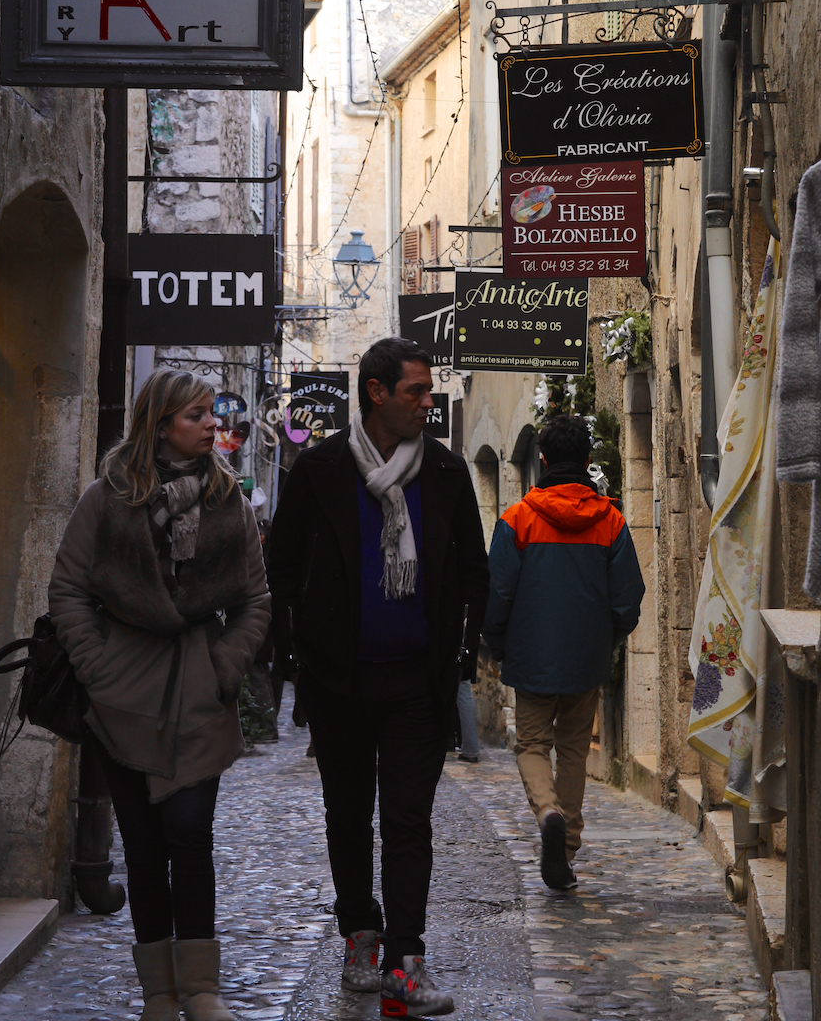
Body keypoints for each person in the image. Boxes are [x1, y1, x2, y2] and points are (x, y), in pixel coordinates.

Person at [267, 338, 489, 1018]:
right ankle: (359, 932)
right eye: (416, 391)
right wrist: (295, 657)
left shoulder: (447, 473)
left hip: (416, 683)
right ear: (376, 393)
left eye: (428, 391)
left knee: (409, 820)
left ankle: (405, 959)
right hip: (339, 680)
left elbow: (474, 570)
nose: (429, 402)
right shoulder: (321, 469)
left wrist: (462, 656)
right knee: (347, 814)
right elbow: (282, 565)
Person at [48, 370, 270, 1021]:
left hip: (199, 685)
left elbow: (255, 599)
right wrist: (99, 668)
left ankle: (201, 988)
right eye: (198, 416)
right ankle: (159, 994)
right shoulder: (107, 498)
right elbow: (68, 589)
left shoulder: (229, 498)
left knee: (189, 829)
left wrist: (226, 667)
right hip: (123, 695)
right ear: (161, 423)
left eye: (212, 415)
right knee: (143, 844)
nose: (212, 426)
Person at [482, 413, 644, 891]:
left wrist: (497, 644)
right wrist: (608, 638)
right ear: (588, 462)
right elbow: (627, 600)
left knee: (532, 744)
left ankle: (548, 812)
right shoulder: (610, 520)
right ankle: (566, 849)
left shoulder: (517, 519)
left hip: (530, 656)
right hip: (586, 658)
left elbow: (498, 593)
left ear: (544, 459)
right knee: (574, 750)